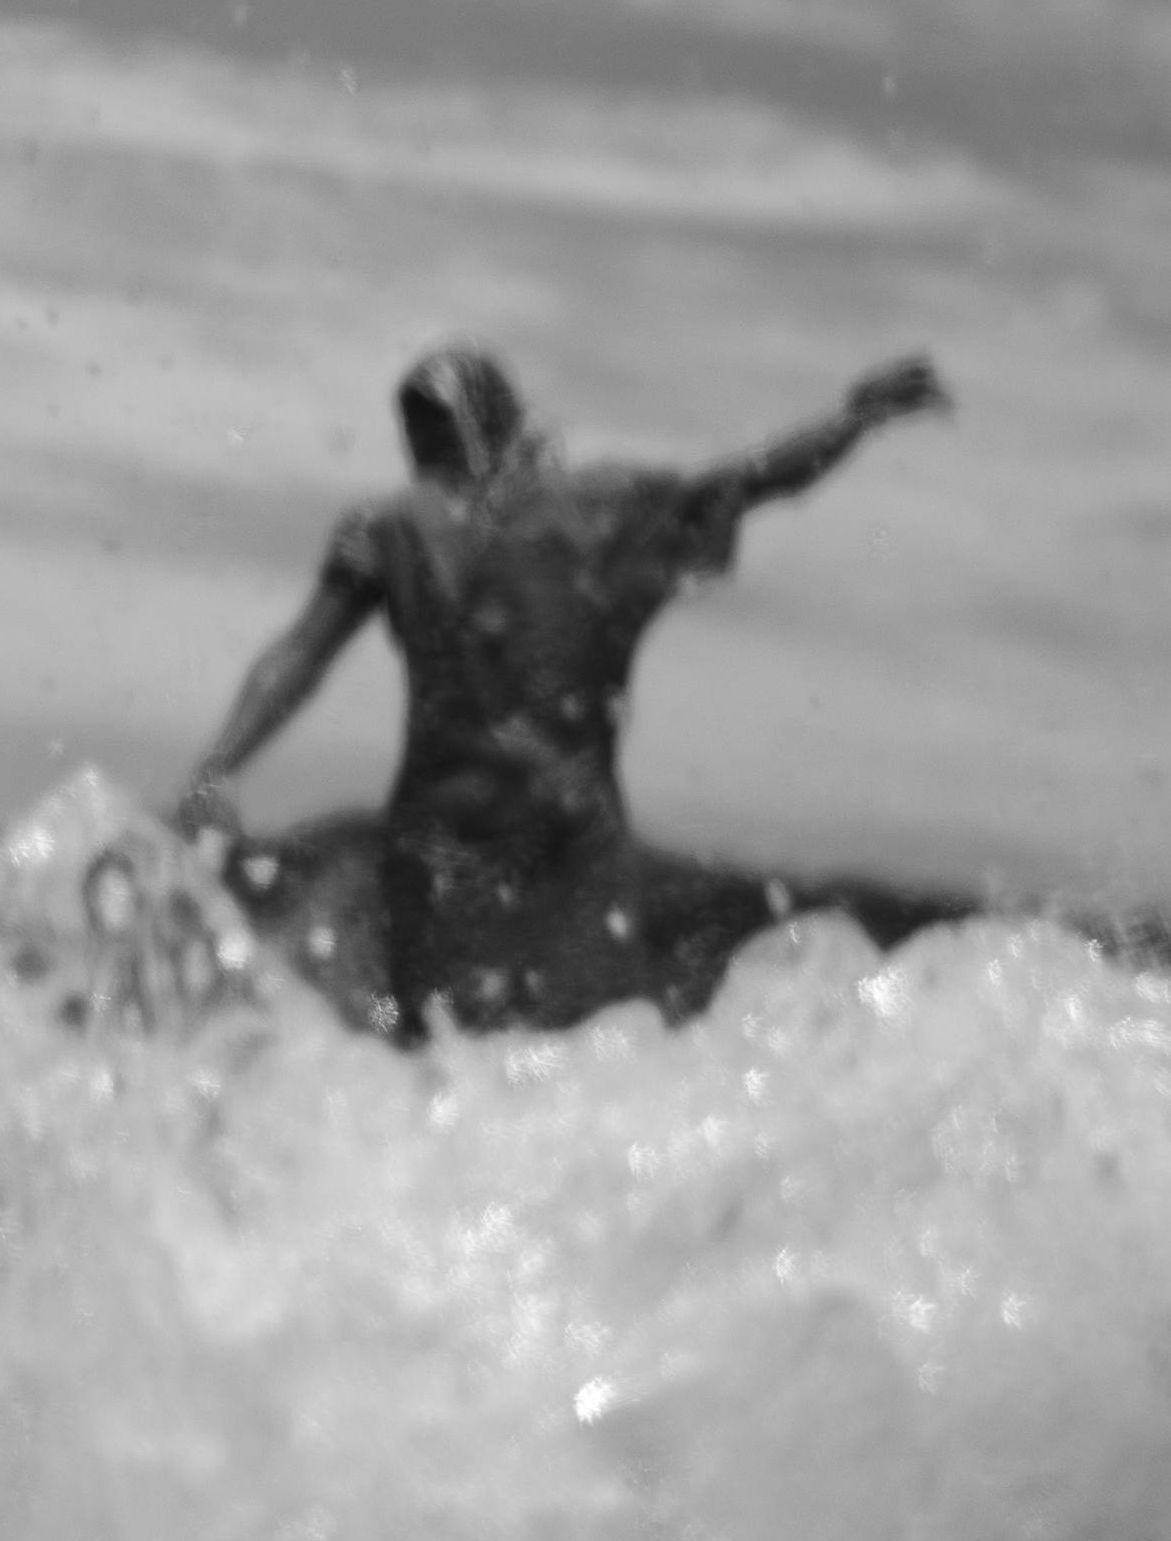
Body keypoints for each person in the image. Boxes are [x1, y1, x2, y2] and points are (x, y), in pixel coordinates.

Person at [176, 341, 949, 1040]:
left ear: (420, 441)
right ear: (512, 427)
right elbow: (753, 480)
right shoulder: (601, 511)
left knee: (430, 1052)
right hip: (568, 839)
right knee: (598, 1049)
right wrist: (854, 420)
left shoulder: (389, 531)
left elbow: (298, 656)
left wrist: (220, 762)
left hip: (441, 846)